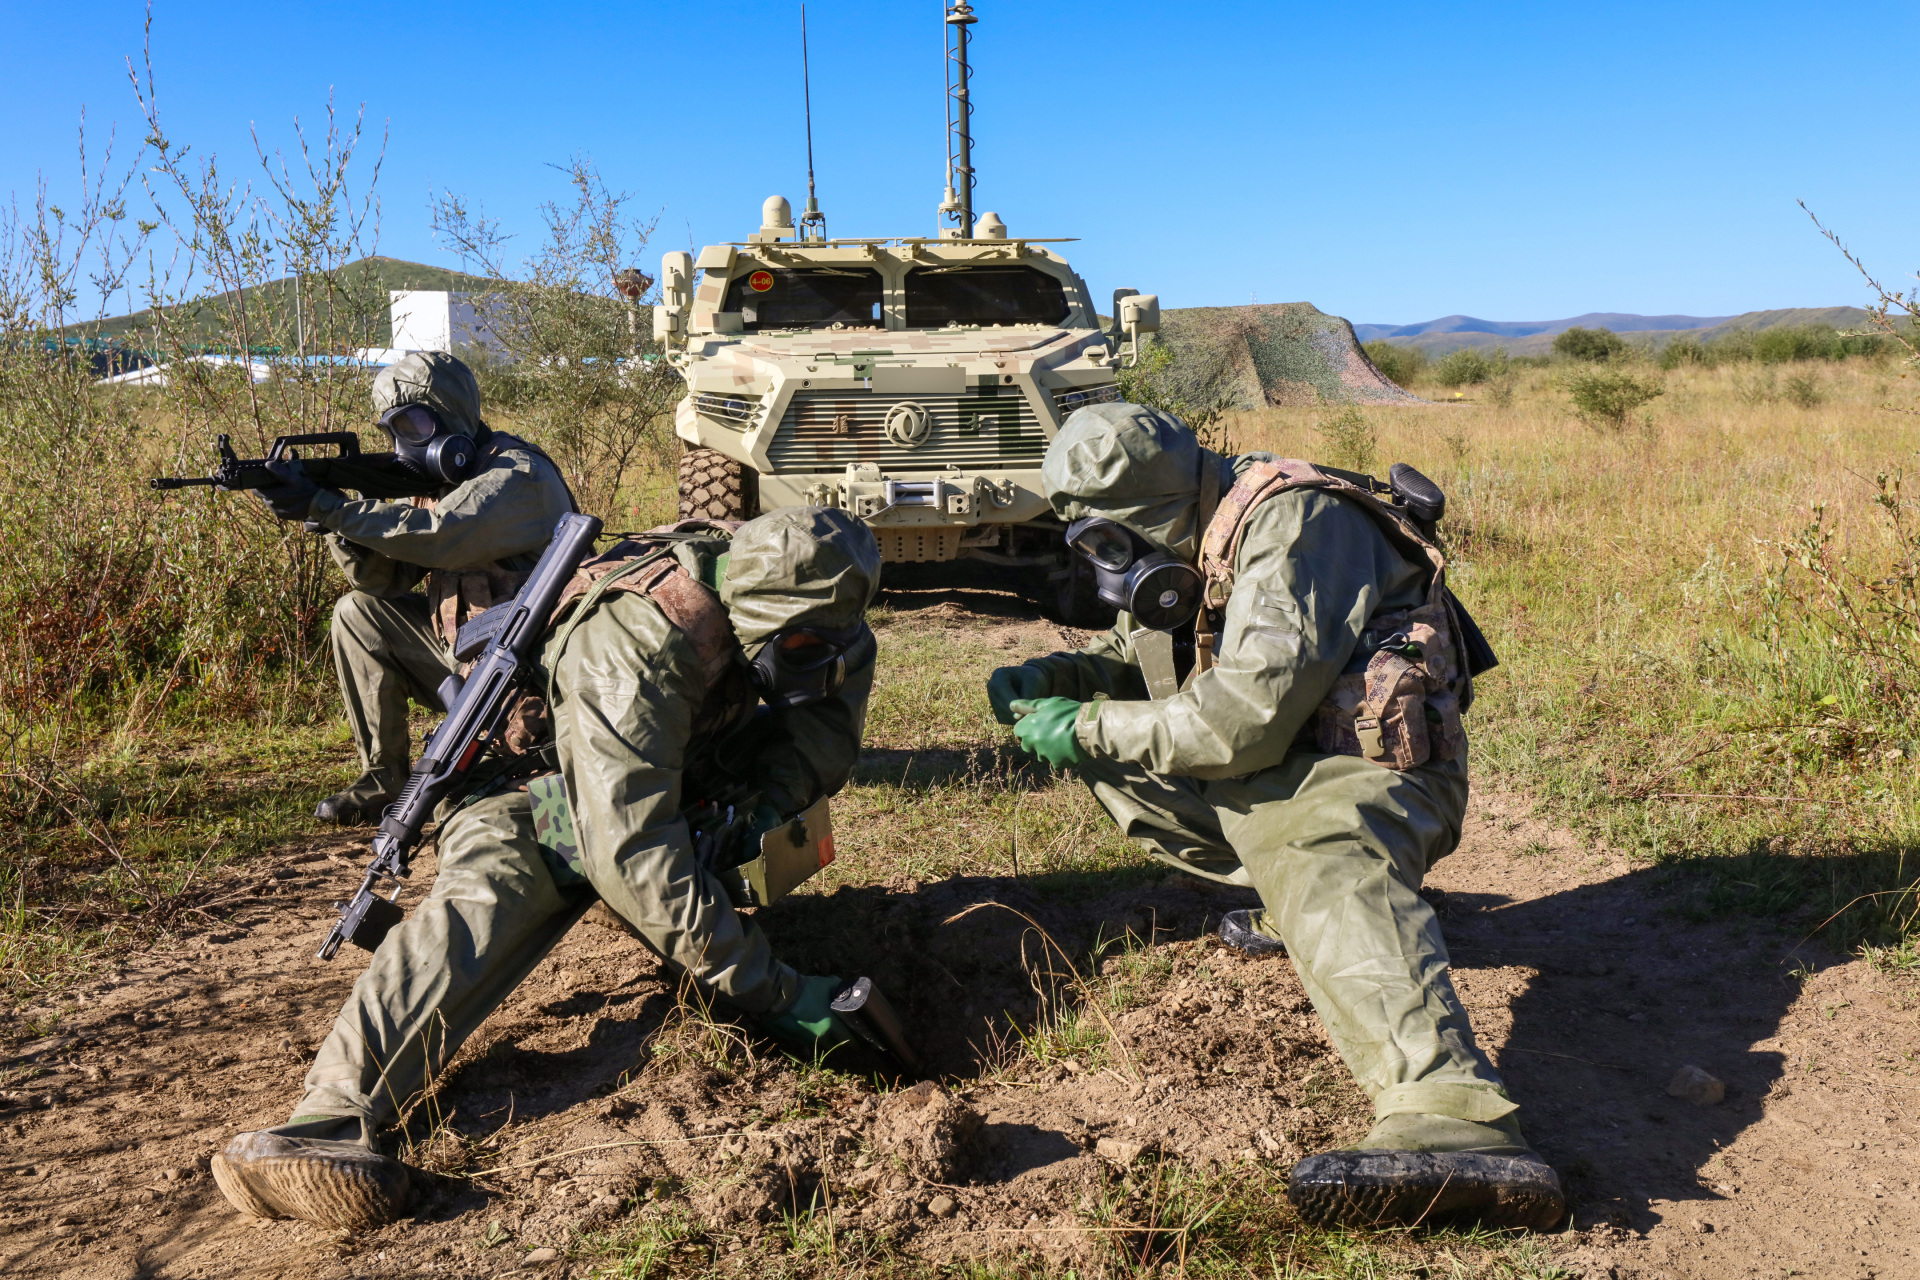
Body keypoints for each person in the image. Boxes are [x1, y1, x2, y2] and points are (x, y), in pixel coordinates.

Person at [211, 507, 882, 1230]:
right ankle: (328, 1121)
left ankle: (702, 892)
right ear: (750, 610)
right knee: (486, 905)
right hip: (535, 786)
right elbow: (628, 850)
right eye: (798, 641)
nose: (817, 652)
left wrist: (751, 820)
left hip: (668, 762)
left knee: (687, 871)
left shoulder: (821, 609)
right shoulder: (634, 645)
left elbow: (820, 737)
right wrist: (775, 993)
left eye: (827, 638)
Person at [986, 402, 1564, 1231]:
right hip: (1292, 756)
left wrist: (1086, 725)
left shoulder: (1295, 524)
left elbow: (1240, 719)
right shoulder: (1202, 526)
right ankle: (1298, 901)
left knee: (1320, 853)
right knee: (1127, 764)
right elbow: (1148, 654)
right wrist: (1067, 677)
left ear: (1167, 501)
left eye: (1121, 541)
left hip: (1369, 774)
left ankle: (1456, 1114)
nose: (1117, 568)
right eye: (1096, 546)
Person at [254, 351, 577, 825]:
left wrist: (331, 509)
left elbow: (441, 535)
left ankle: (528, 798)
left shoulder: (517, 474)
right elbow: (381, 580)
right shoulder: (440, 480)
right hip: (468, 658)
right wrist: (330, 522)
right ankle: (384, 780)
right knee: (357, 611)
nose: (407, 443)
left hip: (537, 668)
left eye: (417, 425)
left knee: (530, 796)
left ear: (452, 412)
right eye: (396, 429)